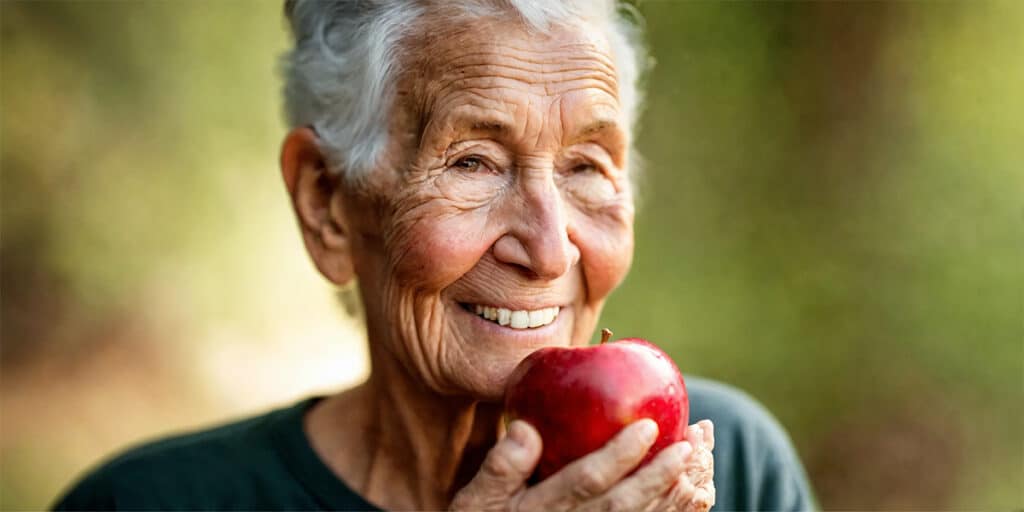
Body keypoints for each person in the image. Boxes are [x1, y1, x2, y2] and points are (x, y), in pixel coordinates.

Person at [54, 1, 815, 510]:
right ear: (325, 203)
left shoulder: (721, 469)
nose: (550, 251)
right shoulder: (148, 503)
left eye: (586, 167)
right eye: (474, 163)